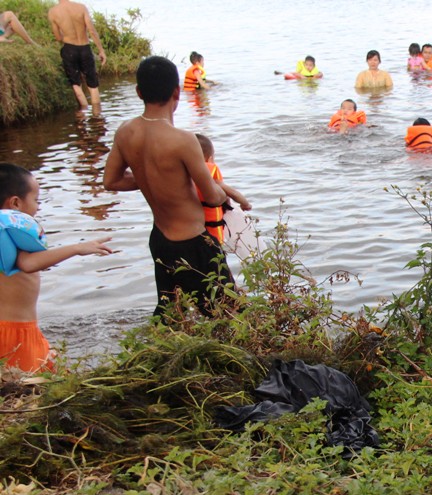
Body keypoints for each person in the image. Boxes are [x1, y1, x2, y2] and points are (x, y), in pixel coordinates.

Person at [102, 55, 234, 318]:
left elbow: (111, 181)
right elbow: (211, 196)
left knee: (171, 315)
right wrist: (223, 190)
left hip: (160, 239)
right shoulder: (183, 140)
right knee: (229, 314)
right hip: (193, 242)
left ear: (139, 91)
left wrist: (151, 180)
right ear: (177, 92)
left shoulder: (125, 132)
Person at [0, 163, 113, 373]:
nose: (38, 207)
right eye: (36, 200)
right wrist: (78, 248)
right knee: (34, 393)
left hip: (14, 328)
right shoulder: (11, 230)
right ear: (15, 203)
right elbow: (28, 263)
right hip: (16, 332)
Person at [48, 0, 107, 115]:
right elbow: (92, 30)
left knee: (76, 84)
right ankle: (97, 118)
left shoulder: (53, 11)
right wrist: (101, 50)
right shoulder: (81, 7)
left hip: (69, 49)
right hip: (85, 48)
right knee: (93, 85)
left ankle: (82, 116)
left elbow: (58, 37)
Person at [195, 134, 251, 243]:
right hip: (211, 237)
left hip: (190, 233)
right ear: (210, 159)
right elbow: (234, 194)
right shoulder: (211, 180)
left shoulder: (183, 177)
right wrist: (245, 204)